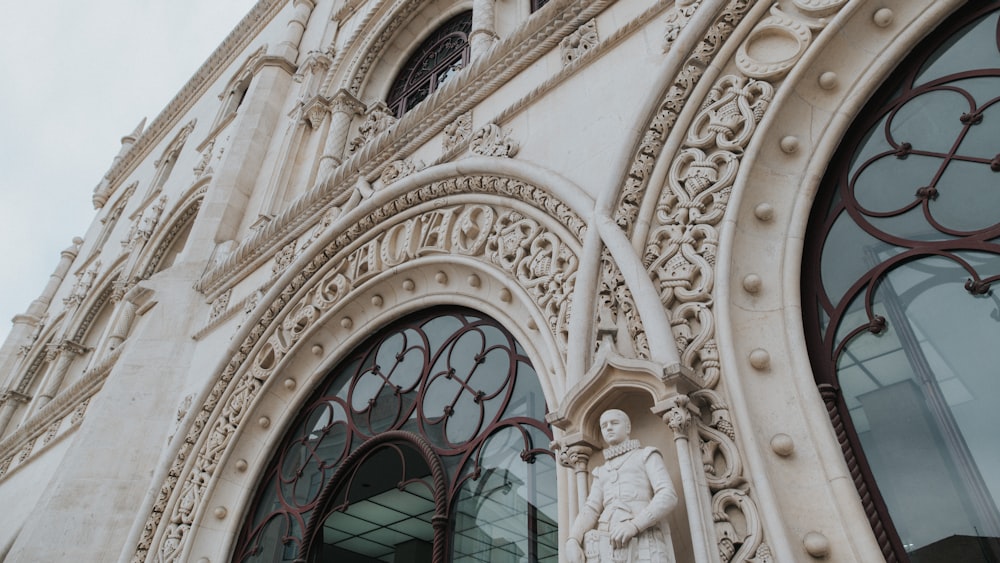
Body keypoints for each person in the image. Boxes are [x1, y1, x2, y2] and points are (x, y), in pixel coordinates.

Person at [566, 409, 677, 562]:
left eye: (614, 423)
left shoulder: (645, 455)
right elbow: (590, 509)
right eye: (604, 425)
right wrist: (573, 539)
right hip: (609, 547)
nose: (609, 428)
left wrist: (635, 526)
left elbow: (668, 495)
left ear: (628, 428)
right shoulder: (601, 471)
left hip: (646, 541)